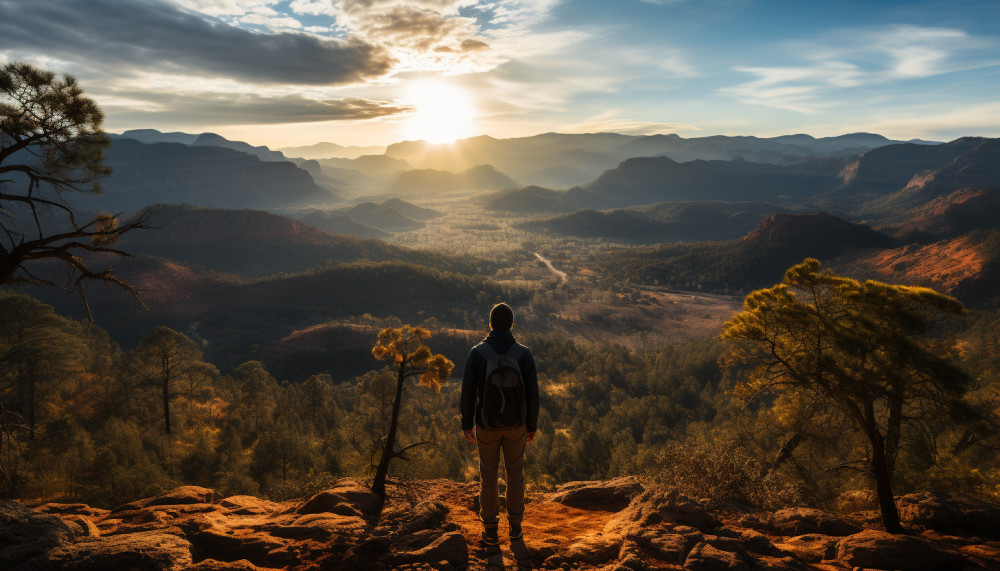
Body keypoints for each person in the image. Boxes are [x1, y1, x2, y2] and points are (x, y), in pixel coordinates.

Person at [461, 302, 539, 546]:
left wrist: (467, 423)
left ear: (491, 324)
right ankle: (515, 528)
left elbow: (468, 392)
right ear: (512, 324)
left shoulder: (477, 353)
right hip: (517, 426)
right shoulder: (524, 354)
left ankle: (491, 531)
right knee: (516, 475)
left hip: (486, 425)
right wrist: (531, 425)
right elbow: (533, 393)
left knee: (488, 475)